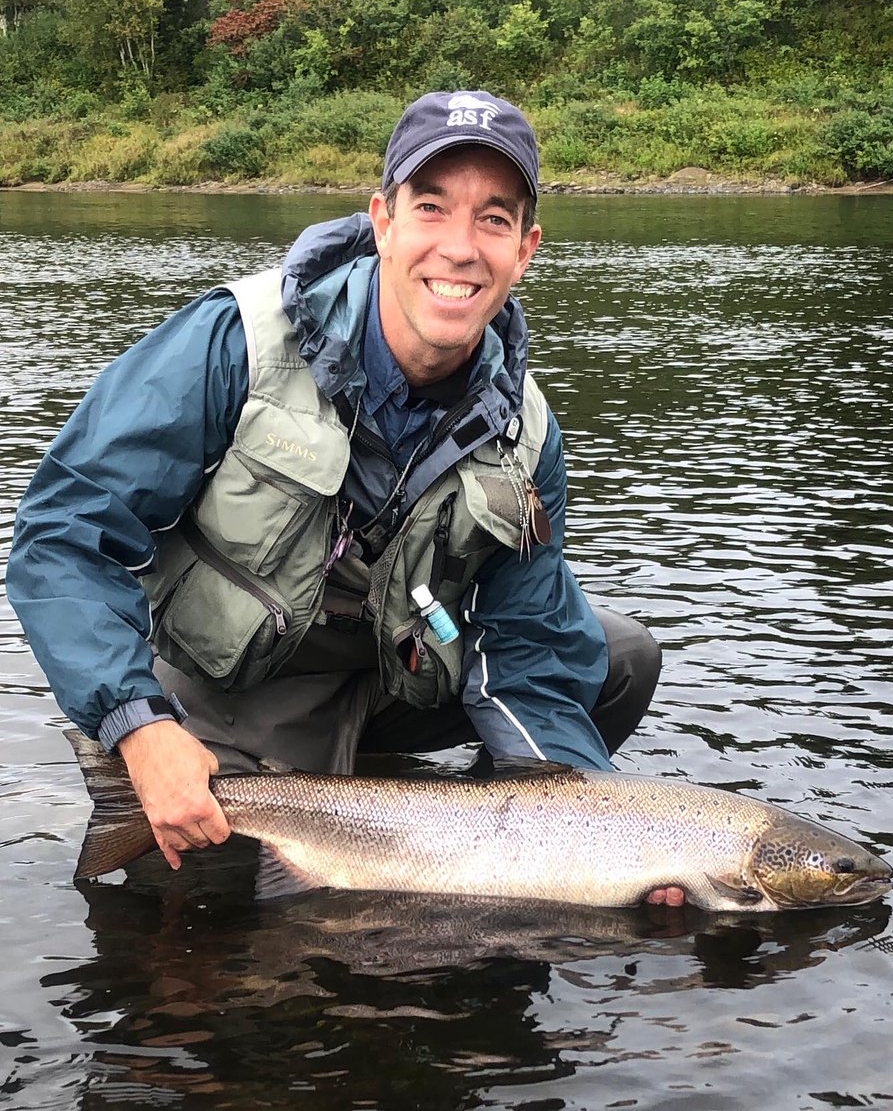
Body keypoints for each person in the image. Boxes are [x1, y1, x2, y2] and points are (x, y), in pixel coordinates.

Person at [8, 90, 678, 904]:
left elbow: (530, 640)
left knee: (617, 659)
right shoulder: (233, 341)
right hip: (233, 688)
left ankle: (448, 850)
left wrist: (592, 841)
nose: (460, 248)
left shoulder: (527, 430)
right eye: (431, 207)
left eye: (493, 220)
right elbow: (66, 534)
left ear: (526, 247)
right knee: (211, 918)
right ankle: (259, 796)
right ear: (383, 220)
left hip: (393, 678)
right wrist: (137, 727)